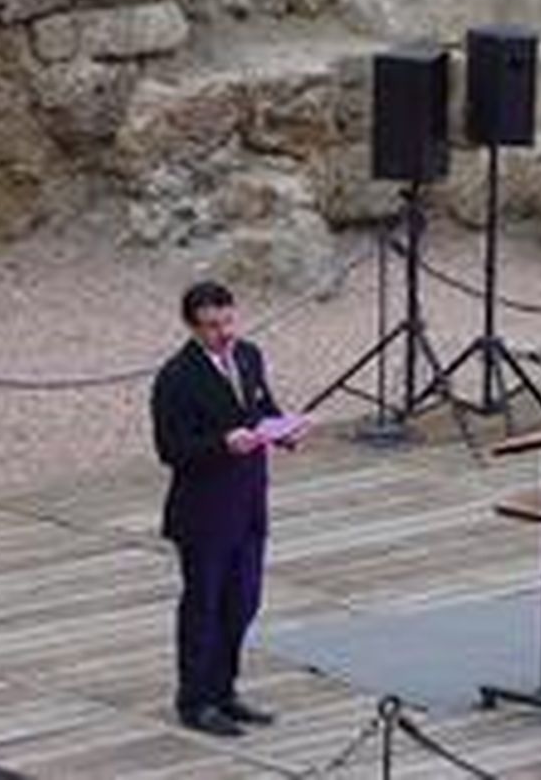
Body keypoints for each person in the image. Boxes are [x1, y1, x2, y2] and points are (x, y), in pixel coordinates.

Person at [151, 280, 303, 739]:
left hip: (249, 500)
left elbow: (261, 406)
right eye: (212, 326)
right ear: (193, 327)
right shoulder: (176, 377)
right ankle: (195, 699)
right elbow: (170, 447)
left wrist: (283, 430)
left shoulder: (249, 355)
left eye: (227, 321)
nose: (223, 332)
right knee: (204, 605)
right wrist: (222, 443)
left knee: (244, 600)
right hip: (204, 509)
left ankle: (224, 688)